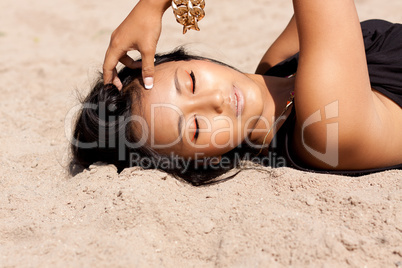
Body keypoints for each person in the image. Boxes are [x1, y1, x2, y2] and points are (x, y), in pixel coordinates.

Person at [71, 0, 402, 185]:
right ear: (203, 162)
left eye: (191, 81)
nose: (215, 101)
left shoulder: (277, 66)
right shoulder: (324, 129)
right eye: (196, 128)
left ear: (193, 58)